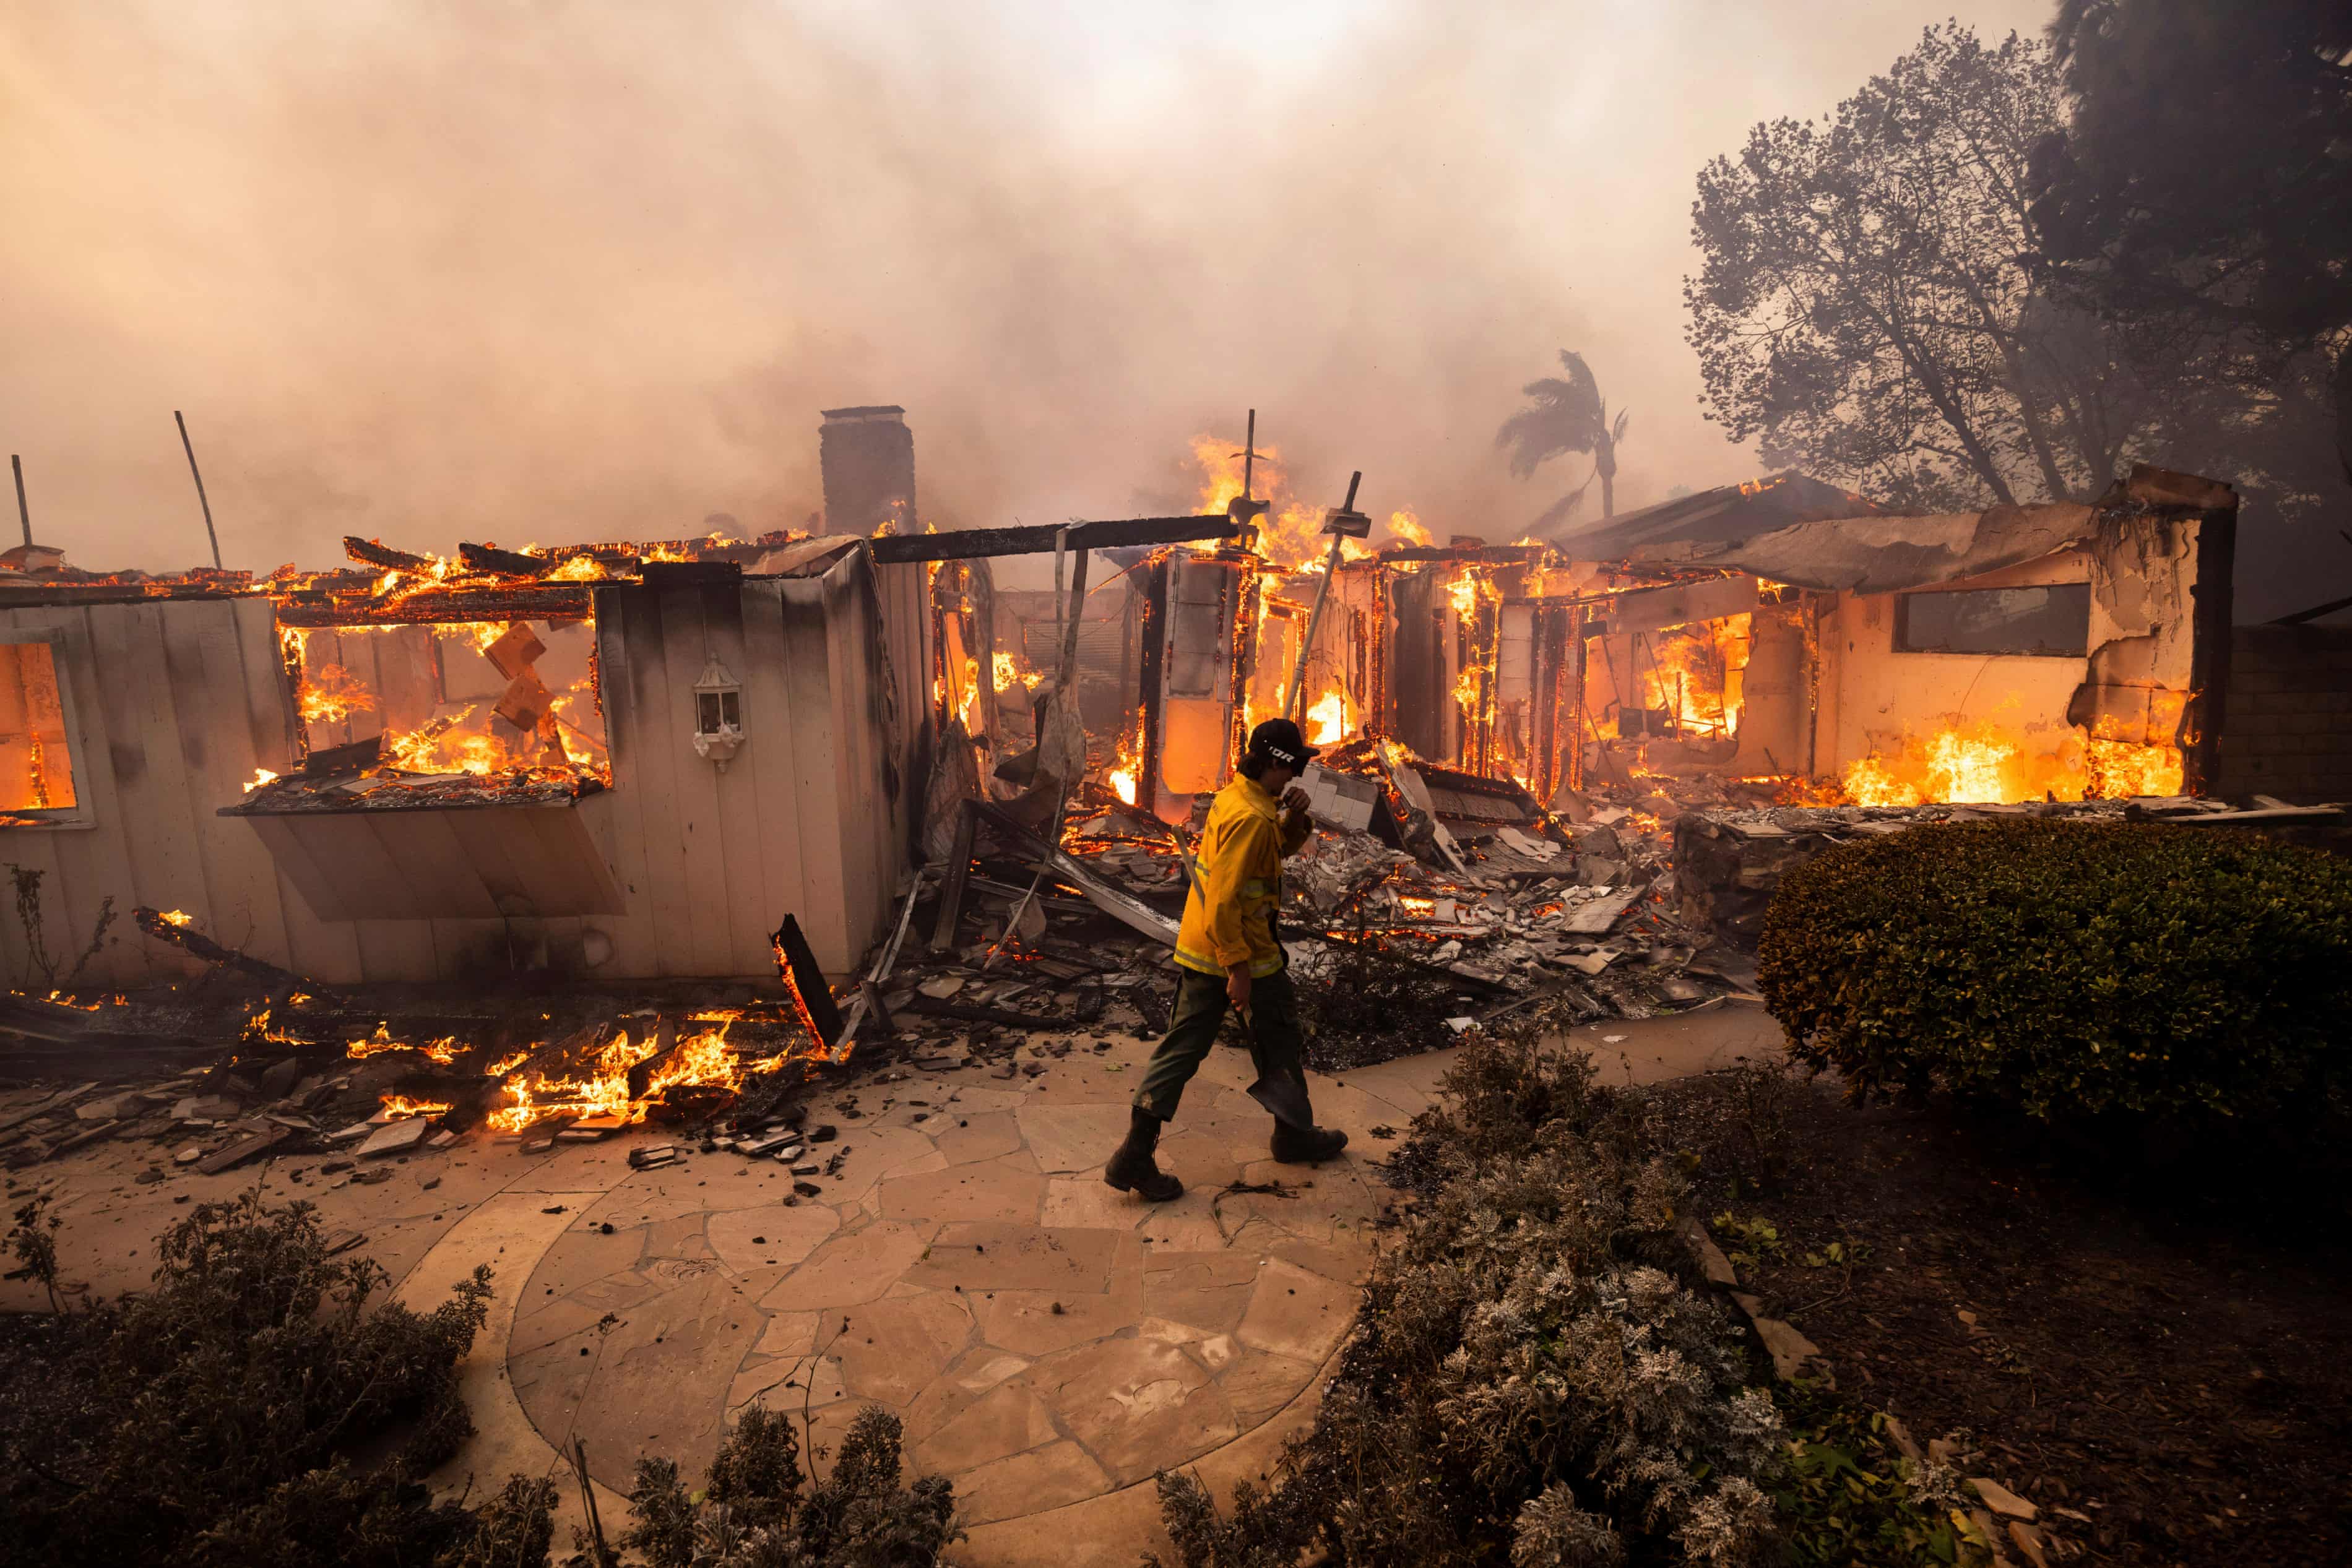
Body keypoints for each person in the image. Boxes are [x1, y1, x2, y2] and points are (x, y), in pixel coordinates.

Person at [1103, 717, 1349, 1201]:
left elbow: (1269, 854)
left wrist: (1294, 818)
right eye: (1294, 767)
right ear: (1275, 763)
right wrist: (1237, 970)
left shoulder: (1240, 799)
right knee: (1278, 1037)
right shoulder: (1251, 818)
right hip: (1239, 952)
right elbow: (1224, 901)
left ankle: (1138, 1152)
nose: (1296, 776)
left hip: (1209, 947)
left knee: (1189, 1048)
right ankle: (1292, 1135)